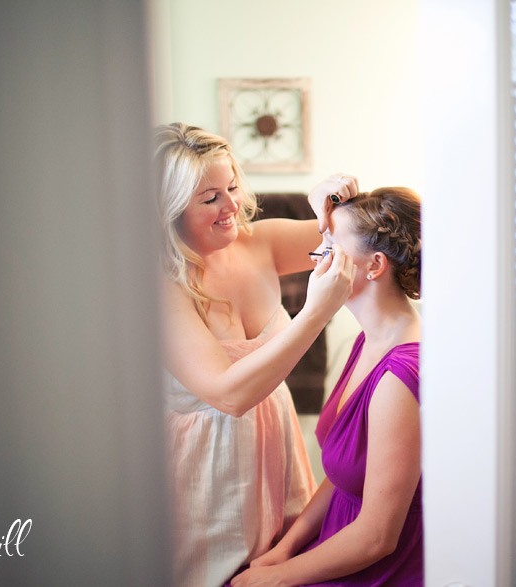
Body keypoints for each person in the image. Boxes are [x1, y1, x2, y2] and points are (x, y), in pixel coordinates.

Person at [155, 123, 359, 587]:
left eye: (232, 187)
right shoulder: (162, 286)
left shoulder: (258, 243)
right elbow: (229, 396)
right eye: (210, 198)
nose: (231, 207)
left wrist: (330, 203)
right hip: (203, 472)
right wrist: (316, 312)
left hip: (273, 452)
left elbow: (357, 238)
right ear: (168, 209)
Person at [230, 187, 423, 586]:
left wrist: (280, 577)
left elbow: (376, 538)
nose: (316, 258)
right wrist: (284, 549)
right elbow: (342, 474)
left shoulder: (399, 377)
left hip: (382, 567)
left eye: (331, 247)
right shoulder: (368, 341)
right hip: (338, 540)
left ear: (375, 265)